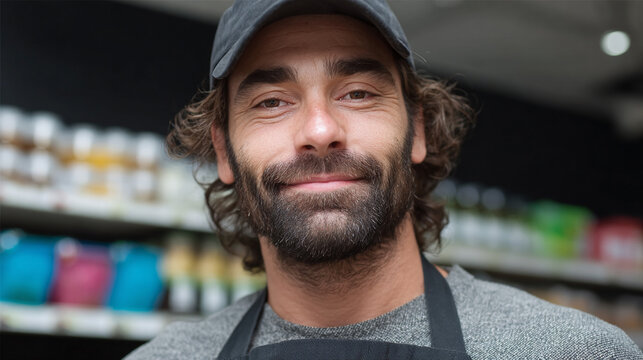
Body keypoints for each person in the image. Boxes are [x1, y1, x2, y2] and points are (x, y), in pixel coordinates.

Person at [126, 0, 642, 359]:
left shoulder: (570, 352)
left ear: (417, 129)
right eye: (271, 102)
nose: (320, 130)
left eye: (357, 93)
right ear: (224, 151)